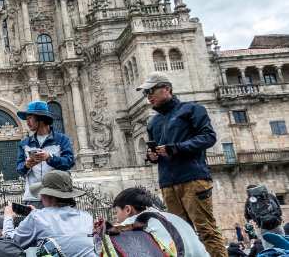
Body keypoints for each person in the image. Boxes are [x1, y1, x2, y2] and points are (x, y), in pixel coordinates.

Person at [140, 72, 227, 257]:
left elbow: (208, 137)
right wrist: (152, 155)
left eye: (151, 91)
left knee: (206, 230)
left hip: (193, 179)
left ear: (167, 89)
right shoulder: (153, 122)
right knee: (179, 234)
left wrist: (175, 148)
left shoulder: (192, 109)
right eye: (145, 93)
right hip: (168, 183)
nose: (148, 96)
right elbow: (156, 149)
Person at [3, 170, 94, 257]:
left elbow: (11, 243)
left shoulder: (37, 217)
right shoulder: (86, 216)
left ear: (48, 196)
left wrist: (8, 217)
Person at [111, 187, 208, 257]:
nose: (116, 217)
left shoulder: (141, 219)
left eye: (117, 212)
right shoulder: (172, 217)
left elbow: (112, 230)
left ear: (128, 209)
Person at [16, 101, 75, 208]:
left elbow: (69, 162)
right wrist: (27, 165)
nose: (27, 122)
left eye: (30, 118)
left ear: (40, 119)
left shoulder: (62, 140)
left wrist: (49, 157)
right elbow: (19, 169)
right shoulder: (24, 144)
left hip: (58, 196)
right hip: (33, 198)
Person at [244, 184, 284, 249]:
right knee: (284, 244)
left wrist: (255, 221)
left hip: (264, 227)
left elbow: (247, 216)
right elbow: (279, 210)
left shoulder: (249, 201)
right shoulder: (270, 196)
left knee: (268, 248)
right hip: (277, 224)